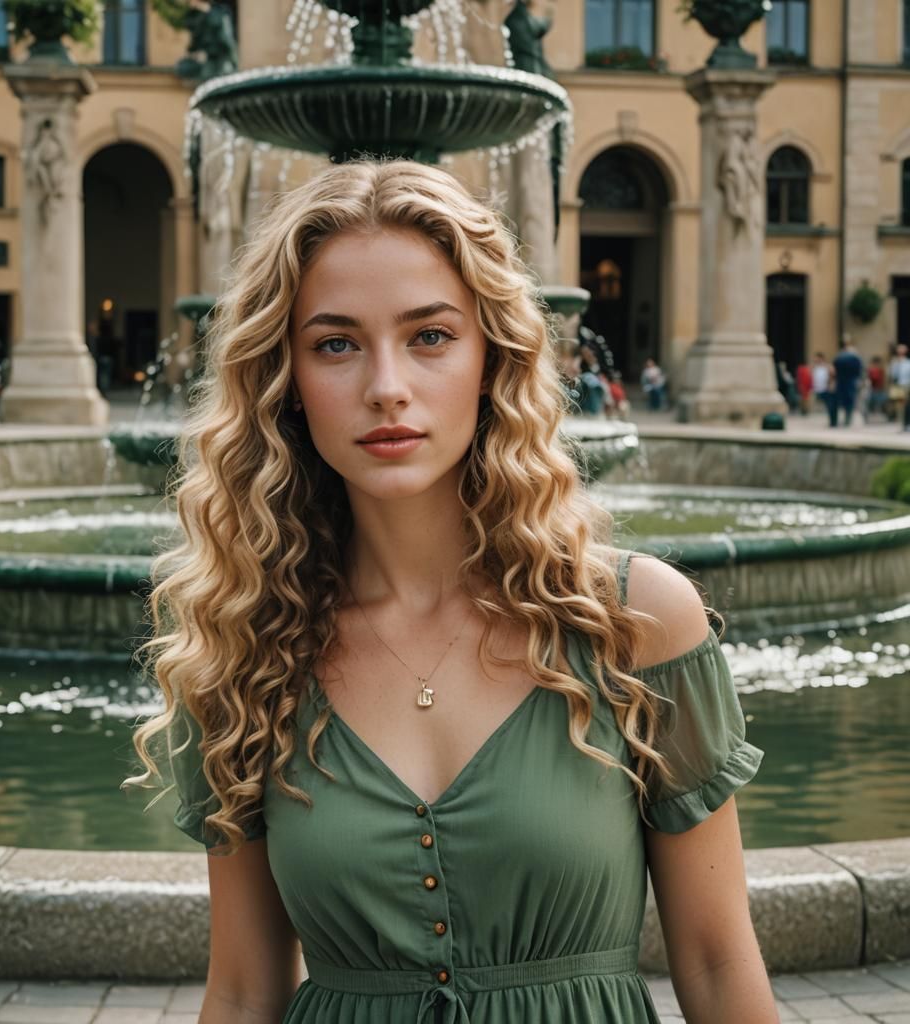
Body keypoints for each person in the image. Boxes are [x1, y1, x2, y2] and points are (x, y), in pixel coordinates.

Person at [123, 162, 774, 1022]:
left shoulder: (634, 622)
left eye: (429, 336)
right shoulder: (244, 655)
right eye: (336, 343)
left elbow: (720, 964)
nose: (386, 384)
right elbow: (244, 991)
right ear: (284, 382)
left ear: (491, 356)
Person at [831, 338, 864, 428]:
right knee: (849, 400)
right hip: (849, 381)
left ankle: (844, 419)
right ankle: (847, 419)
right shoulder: (854, 357)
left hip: (843, 381)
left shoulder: (839, 357)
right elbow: (860, 370)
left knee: (844, 400)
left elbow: (834, 369)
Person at [889, 343, 910, 430]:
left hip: (905, 385)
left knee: (905, 404)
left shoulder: (908, 363)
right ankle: (900, 421)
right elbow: (891, 374)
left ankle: (905, 423)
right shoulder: (894, 362)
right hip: (896, 385)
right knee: (897, 405)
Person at [810, 351, 834, 423]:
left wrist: (830, 385)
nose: (816, 360)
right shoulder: (814, 367)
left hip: (826, 388)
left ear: (822, 358)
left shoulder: (827, 367)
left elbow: (832, 376)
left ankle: (832, 420)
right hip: (817, 388)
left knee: (829, 405)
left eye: (817, 358)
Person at [865, 356, 887, 422]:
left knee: (877, 403)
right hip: (875, 389)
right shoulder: (876, 370)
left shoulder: (878, 370)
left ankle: (875, 417)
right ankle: (873, 417)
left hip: (877, 389)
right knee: (874, 403)